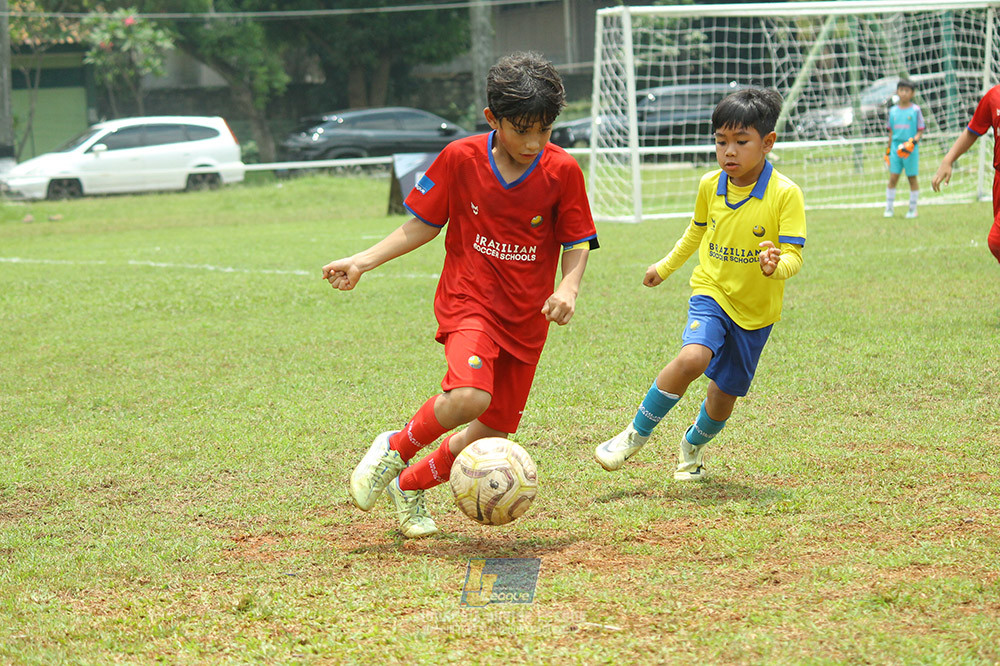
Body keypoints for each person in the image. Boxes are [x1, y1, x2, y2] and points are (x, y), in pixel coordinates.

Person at [323, 52, 598, 538]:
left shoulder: (563, 172)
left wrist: (569, 287)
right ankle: (395, 446)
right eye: (522, 129)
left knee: (492, 429)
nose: (534, 142)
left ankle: (408, 485)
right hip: (469, 301)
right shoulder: (460, 158)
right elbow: (421, 227)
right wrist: (361, 261)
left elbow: (576, 241)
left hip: (527, 319)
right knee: (469, 395)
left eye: (545, 130)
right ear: (492, 118)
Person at [594, 88, 805, 481]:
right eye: (721, 141)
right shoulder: (711, 185)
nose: (729, 152)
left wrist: (775, 266)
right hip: (711, 291)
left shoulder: (785, 194)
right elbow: (696, 233)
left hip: (756, 313)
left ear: (767, 143)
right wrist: (665, 266)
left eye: (741, 142)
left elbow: (794, 255)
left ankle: (692, 445)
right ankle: (632, 436)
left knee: (723, 398)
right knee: (693, 357)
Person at [931, 84, 1000, 264]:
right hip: (999, 179)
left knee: (996, 240)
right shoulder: (993, 96)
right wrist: (948, 159)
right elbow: (973, 130)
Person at [884, 79, 925, 219]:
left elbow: (920, 130)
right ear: (897, 91)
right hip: (896, 149)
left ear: (912, 93)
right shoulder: (893, 111)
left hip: (910, 151)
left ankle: (912, 209)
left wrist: (912, 142)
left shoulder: (915, 110)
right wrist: (888, 151)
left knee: (912, 178)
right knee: (893, 178)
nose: (904, 93)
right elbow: (890, 133)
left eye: (907, 91)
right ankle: (889, 208)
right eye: (901, 90)